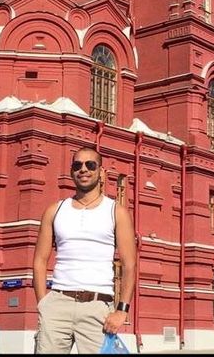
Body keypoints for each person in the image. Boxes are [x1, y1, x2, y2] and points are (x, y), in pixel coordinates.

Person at [32, 146, 137, 354]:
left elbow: (129, 264)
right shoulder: (55, 210)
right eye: (77, 165)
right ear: (72, 171)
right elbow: (39, 261)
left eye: (90, 165)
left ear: (101, 172)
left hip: (97, 307)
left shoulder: (116, 211)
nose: (84, 169)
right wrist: (43, 303)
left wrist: (121, 311)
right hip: (57, 303)